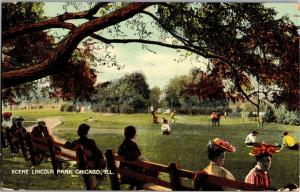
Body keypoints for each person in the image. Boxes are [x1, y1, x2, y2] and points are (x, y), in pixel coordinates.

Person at [70, 123, 106, 189]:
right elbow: (98, 153)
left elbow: (69, 146)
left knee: (97, 158)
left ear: (78, 132)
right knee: (102, 160)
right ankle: (99, 175)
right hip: (91, 165)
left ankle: (94, 181)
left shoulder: (75, 142)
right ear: (86, 133)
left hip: (81, 165)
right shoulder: (91, 142)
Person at [118, 126, 152, 190]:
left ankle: (131, 188)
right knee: (153, 173)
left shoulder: (122, 145)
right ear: (134, 134)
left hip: (124, 174)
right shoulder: (132, 145)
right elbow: (139, 157)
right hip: (133, 176)